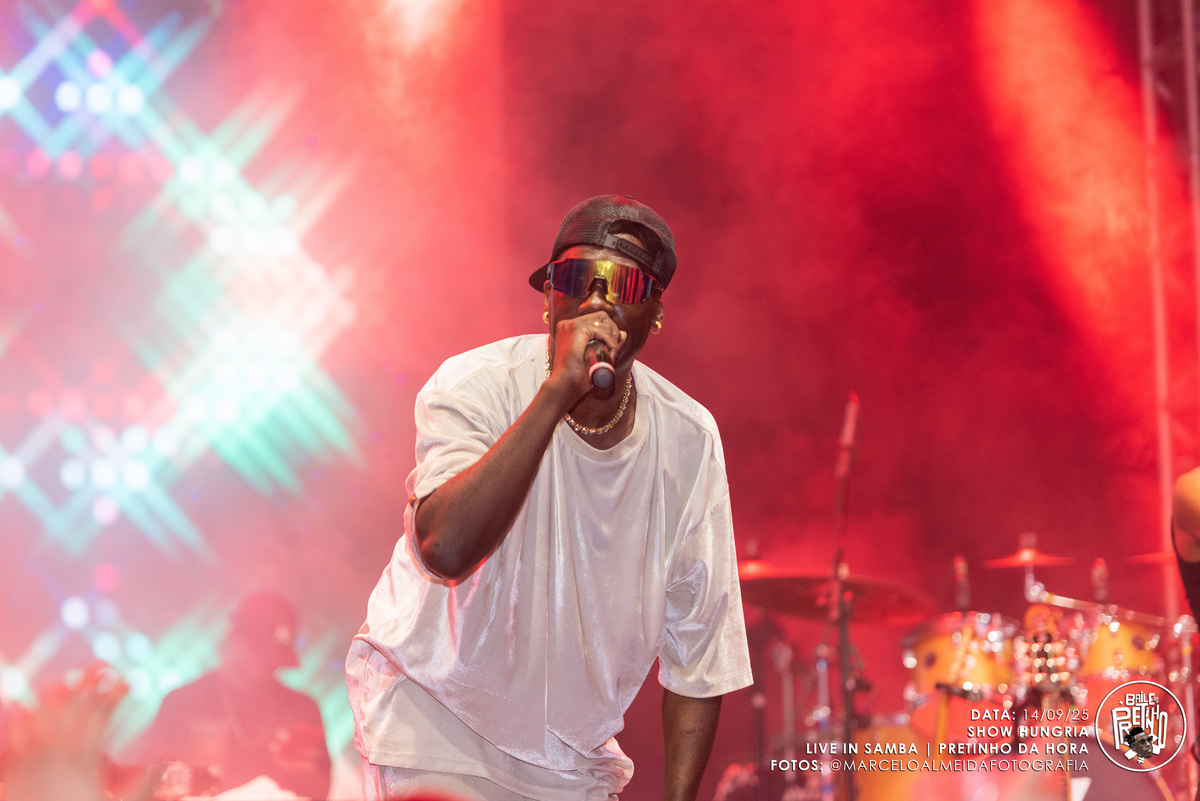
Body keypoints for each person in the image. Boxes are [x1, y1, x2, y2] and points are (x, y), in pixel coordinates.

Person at [346, 194, 753, 801]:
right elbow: (444, 549)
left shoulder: (689, 439)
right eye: (576, 279)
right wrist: (557, 391)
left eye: (623, 284)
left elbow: (700, 658)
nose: (596, 300)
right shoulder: (474, 384)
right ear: (548, 299)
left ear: (655, 314)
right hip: (436, 723)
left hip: (570, 762)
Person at [138, 592, 331, 799]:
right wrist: (187, 768)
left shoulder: (302, 710)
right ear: (235, 638)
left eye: (276, 658)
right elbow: (147, 786)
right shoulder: (183, 702)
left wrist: (305, 777)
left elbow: (322, 791)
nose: (270, 665)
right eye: (260, 654)